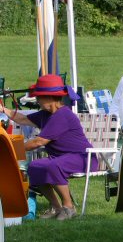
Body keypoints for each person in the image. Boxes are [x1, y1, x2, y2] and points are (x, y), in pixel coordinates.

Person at [0, 75, 95, 220]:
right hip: (61, 158)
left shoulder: (62, 115)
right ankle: (56, 208)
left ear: (49, 97)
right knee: (35, 166)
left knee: (53, 166)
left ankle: (68, 207)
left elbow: (39, 142)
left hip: (83, 158)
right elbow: (23, 119)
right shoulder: (46, 114)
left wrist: (10, 149)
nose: (36, 100)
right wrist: (3, 109)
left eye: (38, 97)